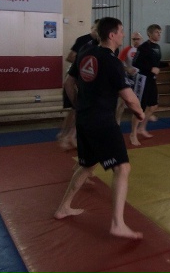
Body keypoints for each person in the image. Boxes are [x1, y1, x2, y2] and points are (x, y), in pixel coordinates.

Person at [54, 17, 145, 240]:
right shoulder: (112, 62)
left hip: (84, 119)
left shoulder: (86, 52)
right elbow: (129, 97)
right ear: (112, 35)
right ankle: (117, 224)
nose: (123, 35)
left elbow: (68, 83)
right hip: (102, 122)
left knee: (86, 165)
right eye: (121, 31)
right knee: (122, 168)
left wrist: (79, 106)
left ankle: (63, 207)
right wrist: (140, 113)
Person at [57, 19, 100, 150]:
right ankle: (64, 135)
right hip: (76, 78)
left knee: (79, 111)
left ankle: (70, 135)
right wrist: (84, 63)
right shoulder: (83, 40)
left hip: (87, 81)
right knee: (75, 109)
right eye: (96, 28)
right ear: (92, 28)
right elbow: (70, 57)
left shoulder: (99, 44)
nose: (97, 31)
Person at [131, 24, 170, 145]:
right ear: (150, 34)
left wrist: (167, 64)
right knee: (139, 108)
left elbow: (156, 62)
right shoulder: (143, 47)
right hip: (143, 80)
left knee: (153, 106)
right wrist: (150, 68)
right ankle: (133, 133)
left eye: (160, 32)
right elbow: (135, 63)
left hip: (151, 80)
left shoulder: (157, 47)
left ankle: (142, 128)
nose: (159, 34)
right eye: (157, 32)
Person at [115, 32, 143, 124]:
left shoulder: (144, 50)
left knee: (140, 101)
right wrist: (127, 69)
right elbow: (118, 64)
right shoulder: (127, 50)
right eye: (134, 39)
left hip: (140, 78)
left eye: (138, 39)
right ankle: (117, 121)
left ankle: (138, 122)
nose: (136, 41)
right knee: (122, 101)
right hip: (128, 78)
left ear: (141, 39)